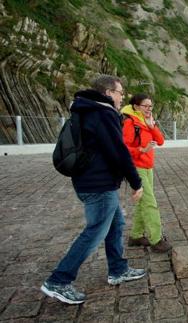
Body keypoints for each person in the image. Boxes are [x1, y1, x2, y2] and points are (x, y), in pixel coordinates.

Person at [41, 75, 145, 304]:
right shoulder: (103, 113)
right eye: (120, 93)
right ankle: (59, 280)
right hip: (99, 185)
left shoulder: (84, 109)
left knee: (116, 224)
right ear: (108, 93)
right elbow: (118, 151)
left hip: (88, 181)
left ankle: (118, 269)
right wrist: (136, 182)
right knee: (95, 231)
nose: (122, 97)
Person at [121, 94, 171, 253]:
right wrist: (141, 150)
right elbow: (122, 148)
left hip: (148, 167)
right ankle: (156, 239)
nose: (149, 109)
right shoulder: (130, 123)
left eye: (151, 106)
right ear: (136, 107)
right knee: (150, 202)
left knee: (143, 202)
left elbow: (161, 141)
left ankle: (135, 236)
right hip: (137, 167)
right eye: (145, 106)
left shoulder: (145, 122)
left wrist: (151, 126)